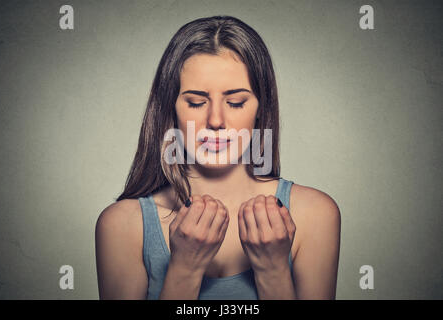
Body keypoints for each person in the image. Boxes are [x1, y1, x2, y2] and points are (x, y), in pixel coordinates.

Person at [95, 15, 341, 300]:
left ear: (261, 107)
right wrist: (184, 269)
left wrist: (272, 271)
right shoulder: (121, 226)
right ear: (170, 108)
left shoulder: (315, 215)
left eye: (235, 102)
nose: (215, 120)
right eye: (196, 102)